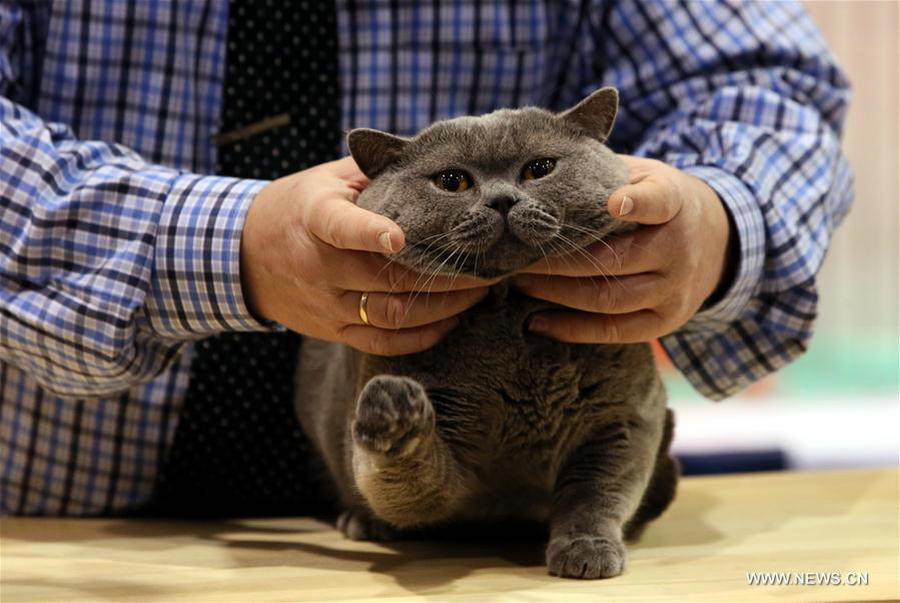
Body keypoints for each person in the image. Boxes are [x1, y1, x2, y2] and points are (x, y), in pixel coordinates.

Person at [0, 1, 853, 516]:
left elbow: (766, 85)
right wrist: (222, 245)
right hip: (57, 528)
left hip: (498, 555)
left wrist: (719, 217)